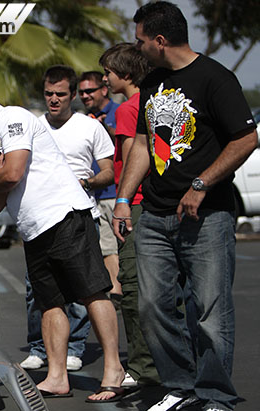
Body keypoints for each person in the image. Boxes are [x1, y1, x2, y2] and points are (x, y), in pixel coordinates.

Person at [113, 1, 257, 411]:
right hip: (155, 214)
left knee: (211, 310)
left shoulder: (215, 78)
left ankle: (216, 396)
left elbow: (246, 138)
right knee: (154, 306)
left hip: (206, 216)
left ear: (160, 40)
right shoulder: (154, 82)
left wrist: (202, 184)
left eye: (140, 40)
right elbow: (142, 144)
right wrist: (124, 199)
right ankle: (179, 385)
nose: (137, 48)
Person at [0, 85, 125, 402]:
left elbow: (11, 173)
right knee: (48, 302)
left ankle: (114, 369)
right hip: (33, 229)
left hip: (65, 216)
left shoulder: (12, 117)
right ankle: (57, 376)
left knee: (92, 291)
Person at [20, 66, 115, 373]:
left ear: (73, 95)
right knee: (38, 291)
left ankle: (74, 347)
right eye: (48, 94)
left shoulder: (89, 127)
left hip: (78, 215)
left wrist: (85, 182)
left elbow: (108, 172)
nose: (54, 100)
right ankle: (39, 348)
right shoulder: (32, 127)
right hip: (39, 220)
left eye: (61, 94)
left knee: (83, 288)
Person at [99, 42, 160, 389]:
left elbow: (128, 162)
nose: (106, 79)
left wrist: (123, 202)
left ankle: (141, 366)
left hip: (133, 204)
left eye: (108, 73)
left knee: (133, 290)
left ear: (125, 74)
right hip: (155, 202)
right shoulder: (154, 102)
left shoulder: (126, 110)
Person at [79, 71, 123, 303]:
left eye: (90, 91)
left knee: (124, 245)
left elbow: (128, 143)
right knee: (106, 246)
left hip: (119, 193)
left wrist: (105, 127)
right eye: (82, 92)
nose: (85, 96)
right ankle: (115, 290)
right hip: (94, 194)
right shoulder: (84, 118)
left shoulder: (118, 112)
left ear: (104, 90)